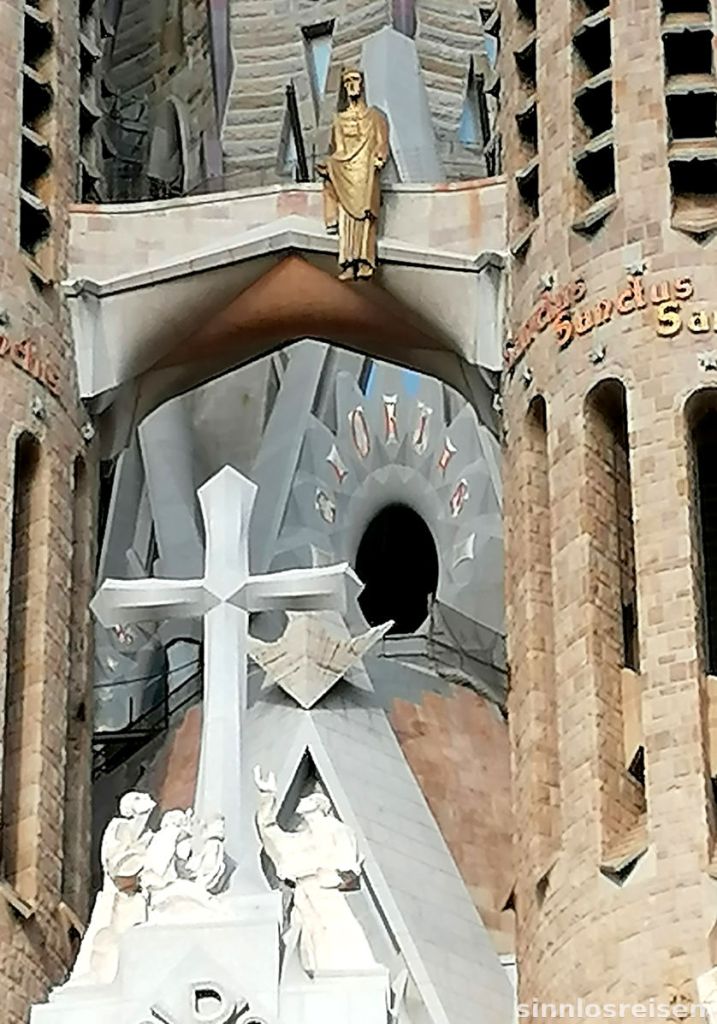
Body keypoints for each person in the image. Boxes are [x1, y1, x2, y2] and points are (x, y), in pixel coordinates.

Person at [254, 766, 378, 976]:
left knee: (338, 936)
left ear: (321, 805)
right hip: (302, 896)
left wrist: (331, 877)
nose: (302, 804)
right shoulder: (298, 841)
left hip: (325, 892)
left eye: (309, 799)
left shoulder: (336, 831)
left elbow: (348, 869)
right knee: (309, 943)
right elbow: (270, 833)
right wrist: (267, 797)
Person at [317, 68, 389, 282]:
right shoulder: (339, 120)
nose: (351, 85)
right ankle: (348, 262)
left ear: (363, 84)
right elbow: (338, 150)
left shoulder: (375, 116)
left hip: (366, 172)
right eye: (347, 81)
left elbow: (382, 142)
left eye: (355, 80)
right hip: (348, 172)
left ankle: (365, 261)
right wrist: (329, 165)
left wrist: (380, 156)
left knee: (366, 215)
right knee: (348, 217)